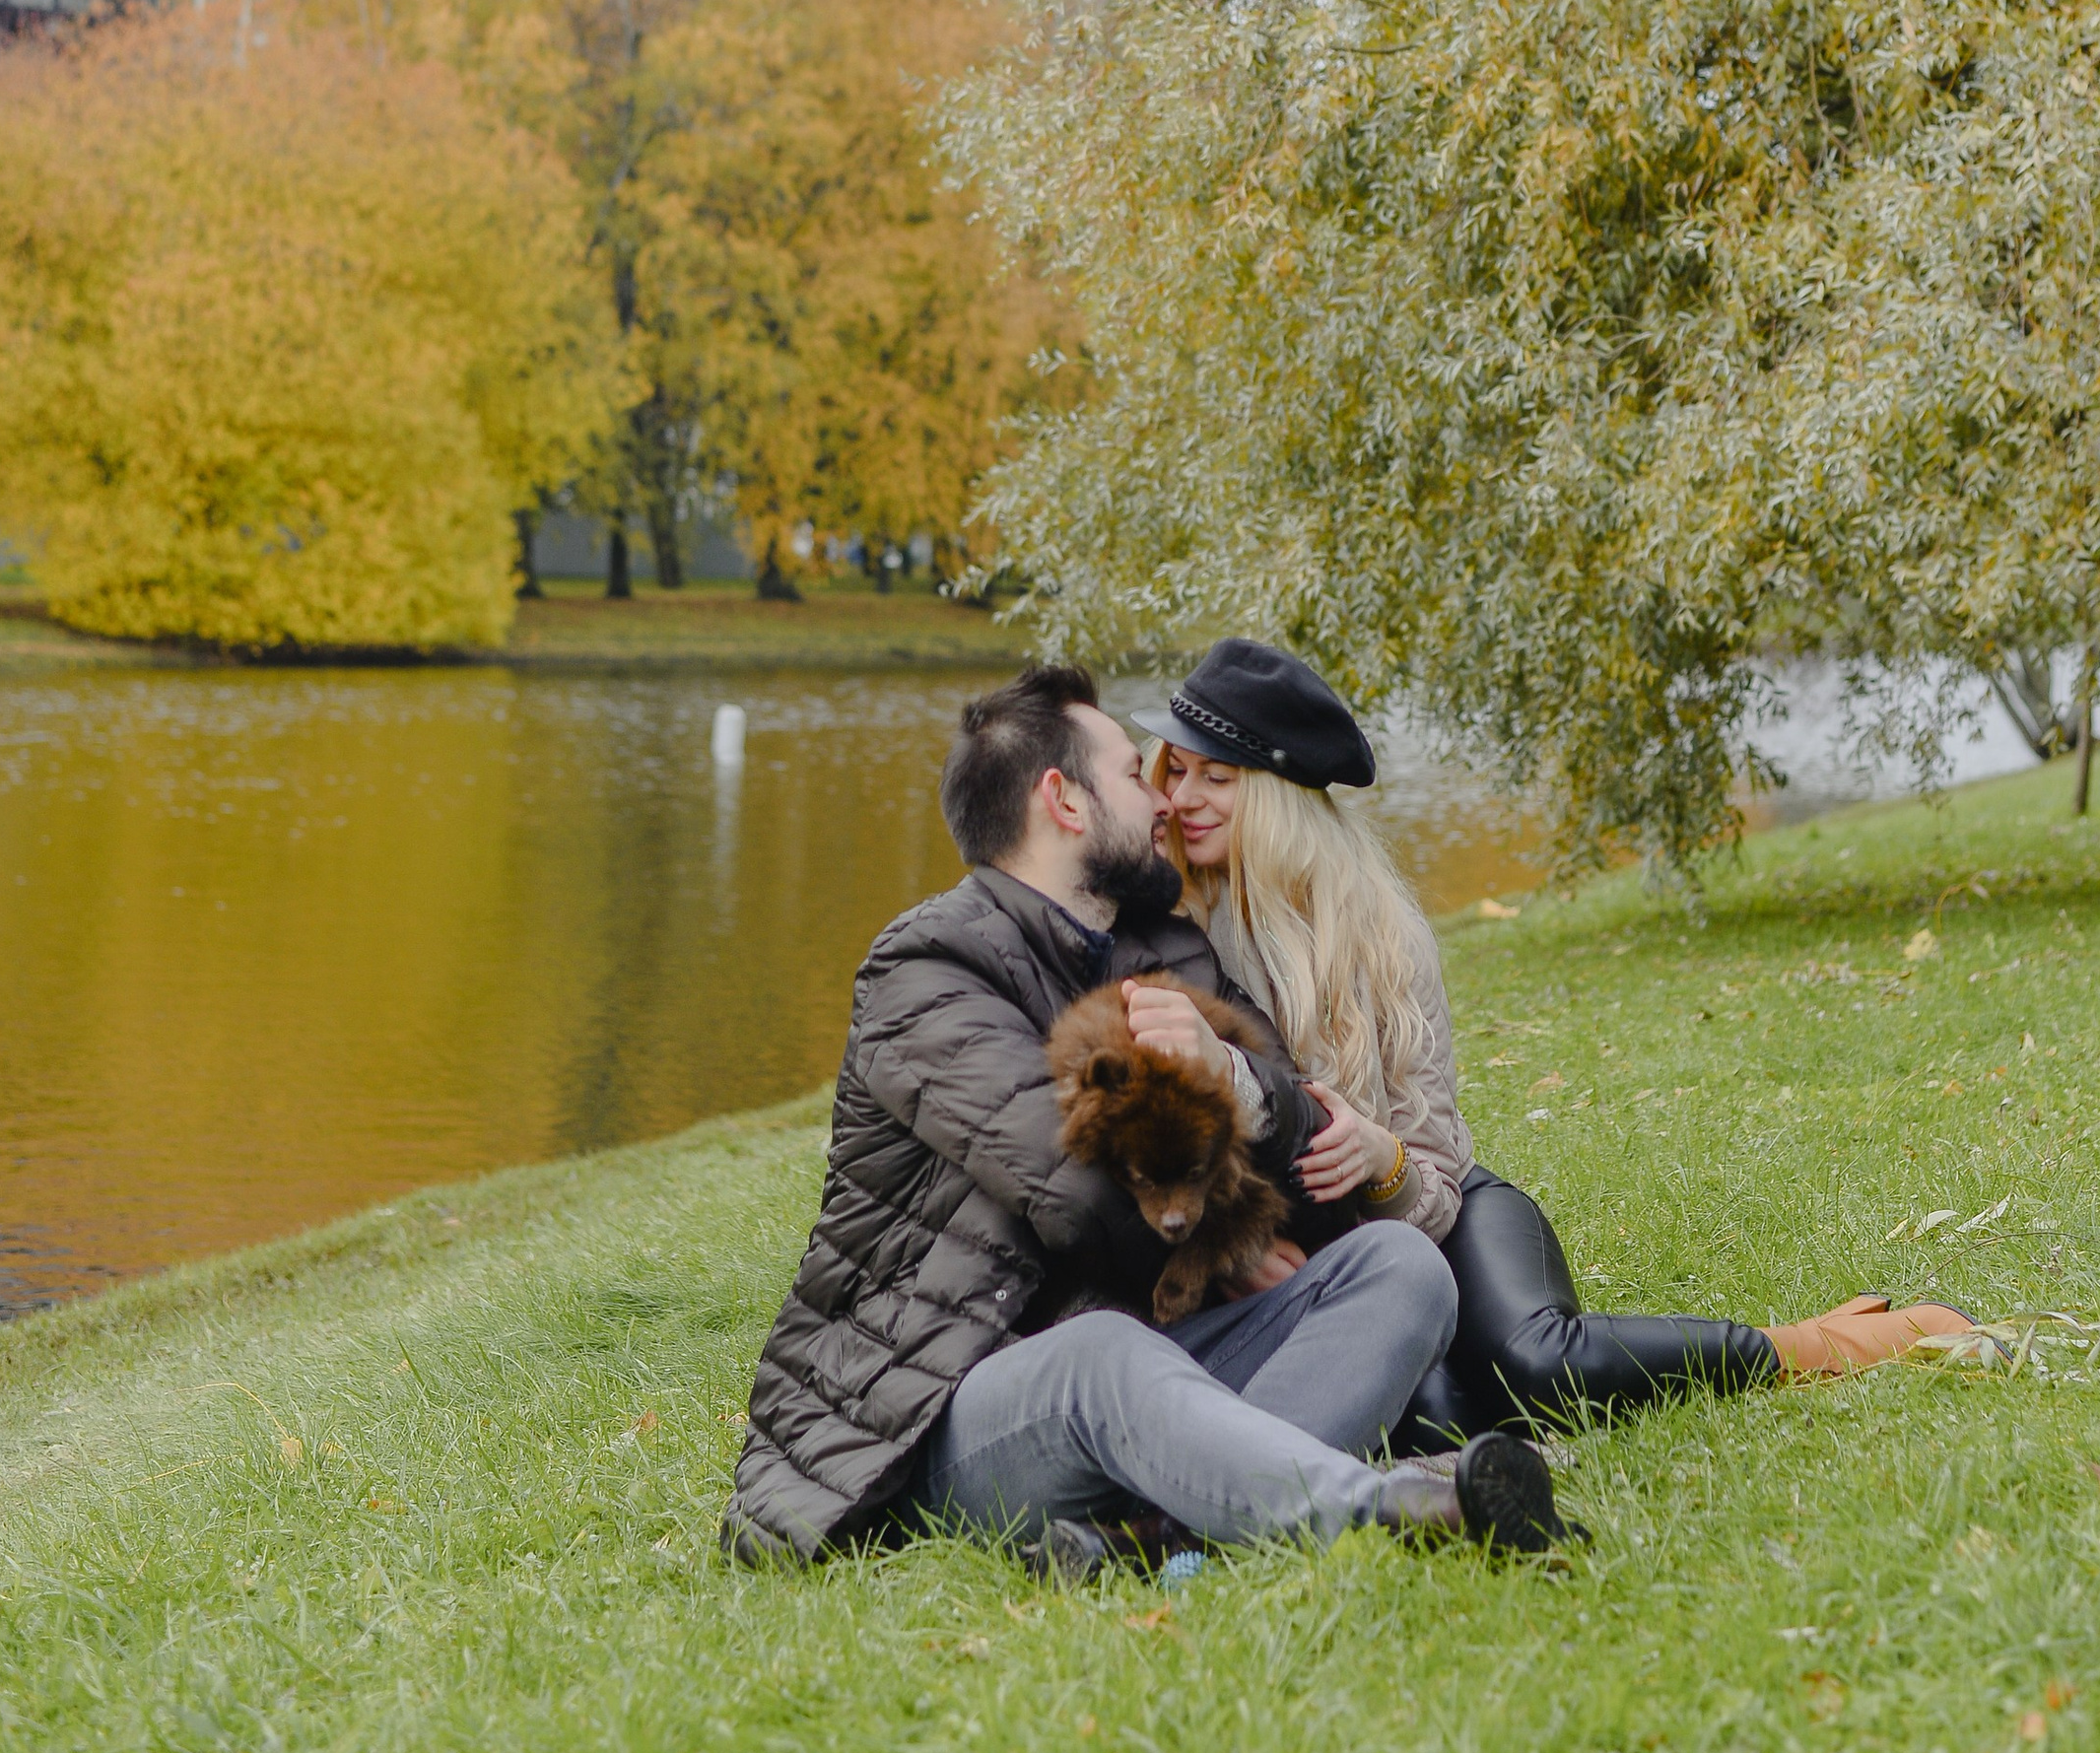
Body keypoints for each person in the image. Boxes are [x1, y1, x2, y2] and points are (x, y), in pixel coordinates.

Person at [722, 662, 1573, 1573]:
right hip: (944, 1408)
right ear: (1065, 799)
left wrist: (1237, 1078)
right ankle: (1400, 1504)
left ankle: (1165, 1539)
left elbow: (1298, 1173)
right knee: (1102, 1352)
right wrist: (1231, 1243)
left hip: (1156, 1359)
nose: (1164, 801)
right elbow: (1077, 1193)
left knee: (1398, 1266)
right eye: (1137, 773)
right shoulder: (927, 970)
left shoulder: (1166, 946)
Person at [1146, 638, 1978, 1439]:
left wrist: (1379, 1157)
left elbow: (1432, 1174)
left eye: (1217, 777)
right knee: (1427, 1413)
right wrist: (1235, 1247)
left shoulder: (1376, 933)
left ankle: (1831, 1344)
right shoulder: (1163, 923)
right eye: (1175, 769)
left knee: (1537, 1363)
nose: (1182, 798)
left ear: (1281, 800)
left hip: (1440, 1207)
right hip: (1320, 1264)